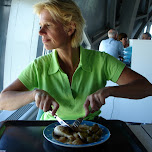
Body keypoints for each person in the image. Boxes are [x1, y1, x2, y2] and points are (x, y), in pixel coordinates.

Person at [0, 0, 152, 121]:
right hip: (49, 130)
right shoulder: (39, 66)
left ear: (70, 28)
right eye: (40, 26)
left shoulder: (101, 61)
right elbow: (2, 100)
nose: (40, 32)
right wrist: (33, 95)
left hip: (89, 129)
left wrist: (110, 91)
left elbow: (146, 87)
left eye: (48, 25)